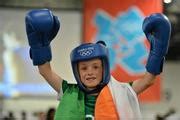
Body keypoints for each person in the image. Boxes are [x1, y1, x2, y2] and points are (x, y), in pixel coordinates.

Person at [25, 9, 171, 120]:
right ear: (77, 72)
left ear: (104, 69)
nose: (89, 72)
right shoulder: (68, 91)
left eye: (95, 67)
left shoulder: (120, 92)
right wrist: (40, 47)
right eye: (83, 68)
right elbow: (45, 71)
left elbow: (148, 80)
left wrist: (157, 52)